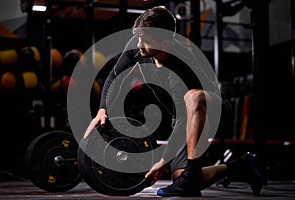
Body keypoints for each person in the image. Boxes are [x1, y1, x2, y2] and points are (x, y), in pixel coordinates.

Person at [84, 6, 265, 197]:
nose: (139, 45)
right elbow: (115, 76)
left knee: (193, 97)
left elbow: (185, 115)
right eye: (138, 38)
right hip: (183, 118)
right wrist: (103, 109)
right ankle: (241, 166)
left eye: (145, 41)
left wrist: (164, 158)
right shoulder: (138, 46)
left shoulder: (181, 66)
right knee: (185, 180)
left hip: (212, 110)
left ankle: (191, 175)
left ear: (165, 42)